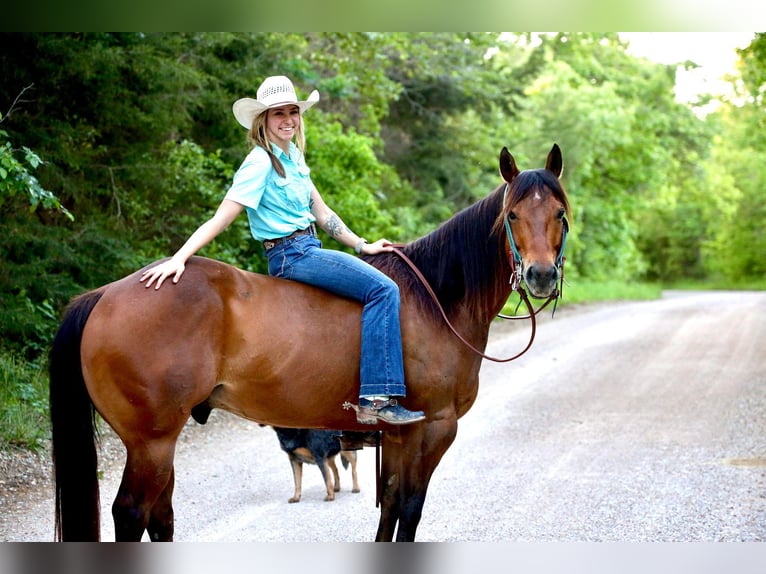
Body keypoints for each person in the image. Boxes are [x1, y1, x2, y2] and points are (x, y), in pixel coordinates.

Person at [139, 75, 425, 426]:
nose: (288, 119)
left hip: (310, 247)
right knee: (384, 289)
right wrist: (180, 257)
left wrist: (363, 245)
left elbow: (323, 214)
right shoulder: (260, 163)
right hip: (293, 255)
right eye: (279, 113)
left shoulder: (294, 158)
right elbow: (223, 216)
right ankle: (376, 398)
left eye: (293, 112)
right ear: (264, 120)